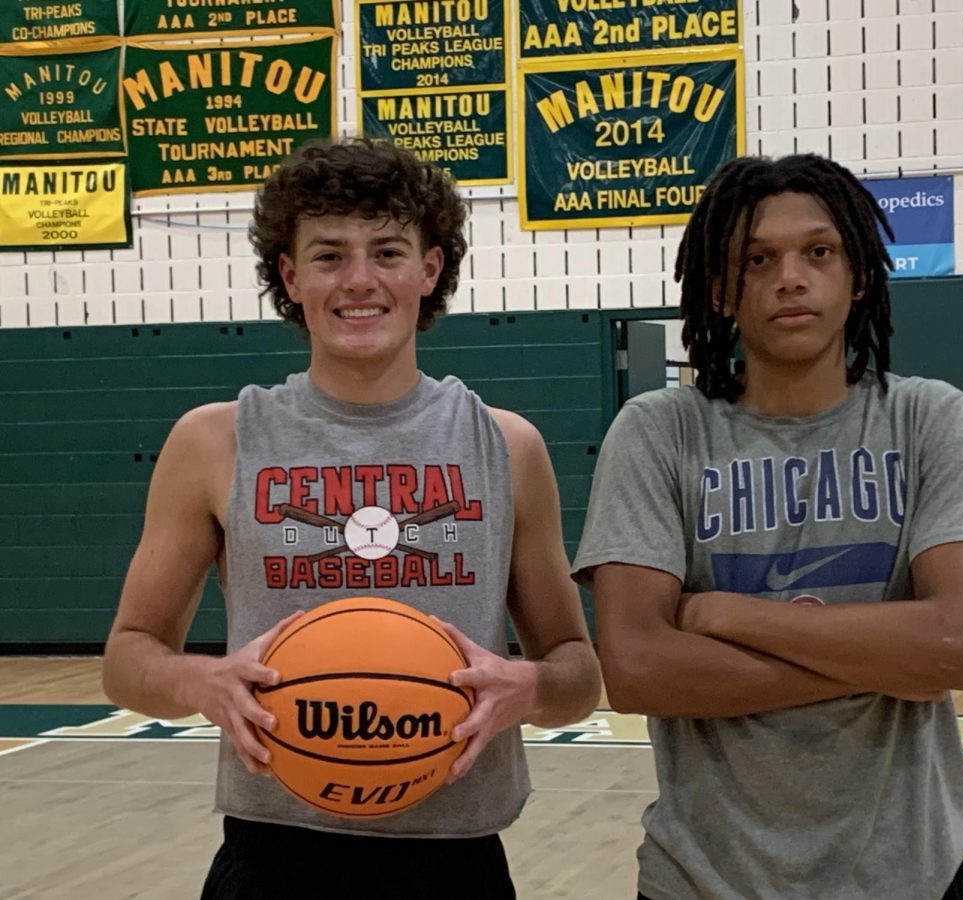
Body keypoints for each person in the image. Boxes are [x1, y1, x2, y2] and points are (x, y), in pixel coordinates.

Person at [102, 138, 601, 899]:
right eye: (329, 256)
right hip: (275, 852)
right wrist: (202, 682)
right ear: (290, 277)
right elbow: (127, 657)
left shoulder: (506, 445)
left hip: (454, 855)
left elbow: (578, 671)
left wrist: (526, 688)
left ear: (430, 270)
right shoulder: (216, 440)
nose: (360, 280)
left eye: (388, 252)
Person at [572, 153, 963, 900]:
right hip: (704, 880)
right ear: (718, 288)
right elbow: (638, 670)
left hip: (908, 875)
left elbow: (953, 650)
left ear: (859, 274)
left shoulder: (925, 417)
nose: (790, 277)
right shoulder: (660, 432)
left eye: (819, 252)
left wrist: (728, 616)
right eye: (757, 259)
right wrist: (879, 663)